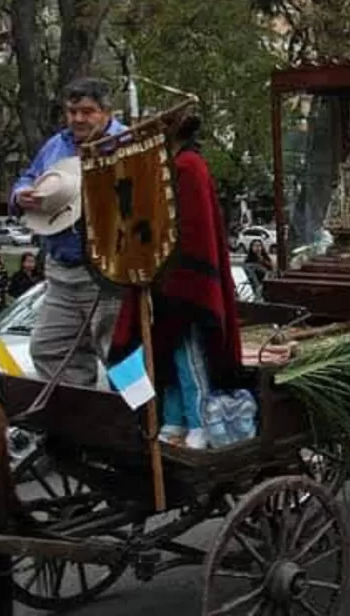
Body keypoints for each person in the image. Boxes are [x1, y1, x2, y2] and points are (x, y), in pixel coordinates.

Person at [109, 110, 243, 449]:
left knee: (189, 357)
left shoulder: (188, 166)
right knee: (164, 357)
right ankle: (172, 419)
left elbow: (194, 231)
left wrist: (177, 277)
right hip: (160, 282)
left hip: (185, 283)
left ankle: (198, 422)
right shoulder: (167, 166)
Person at [12, 78, 126, 386]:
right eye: (72, 111)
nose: (77, 118)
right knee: (50, 348)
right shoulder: (57, 144)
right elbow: (28, 176)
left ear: (106, 112)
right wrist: (21, 192)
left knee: (120, 355)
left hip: (108, 272)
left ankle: (140, 418)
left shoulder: (127, 144)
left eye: (87, 111)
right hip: (61, 273)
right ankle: (83, 417)